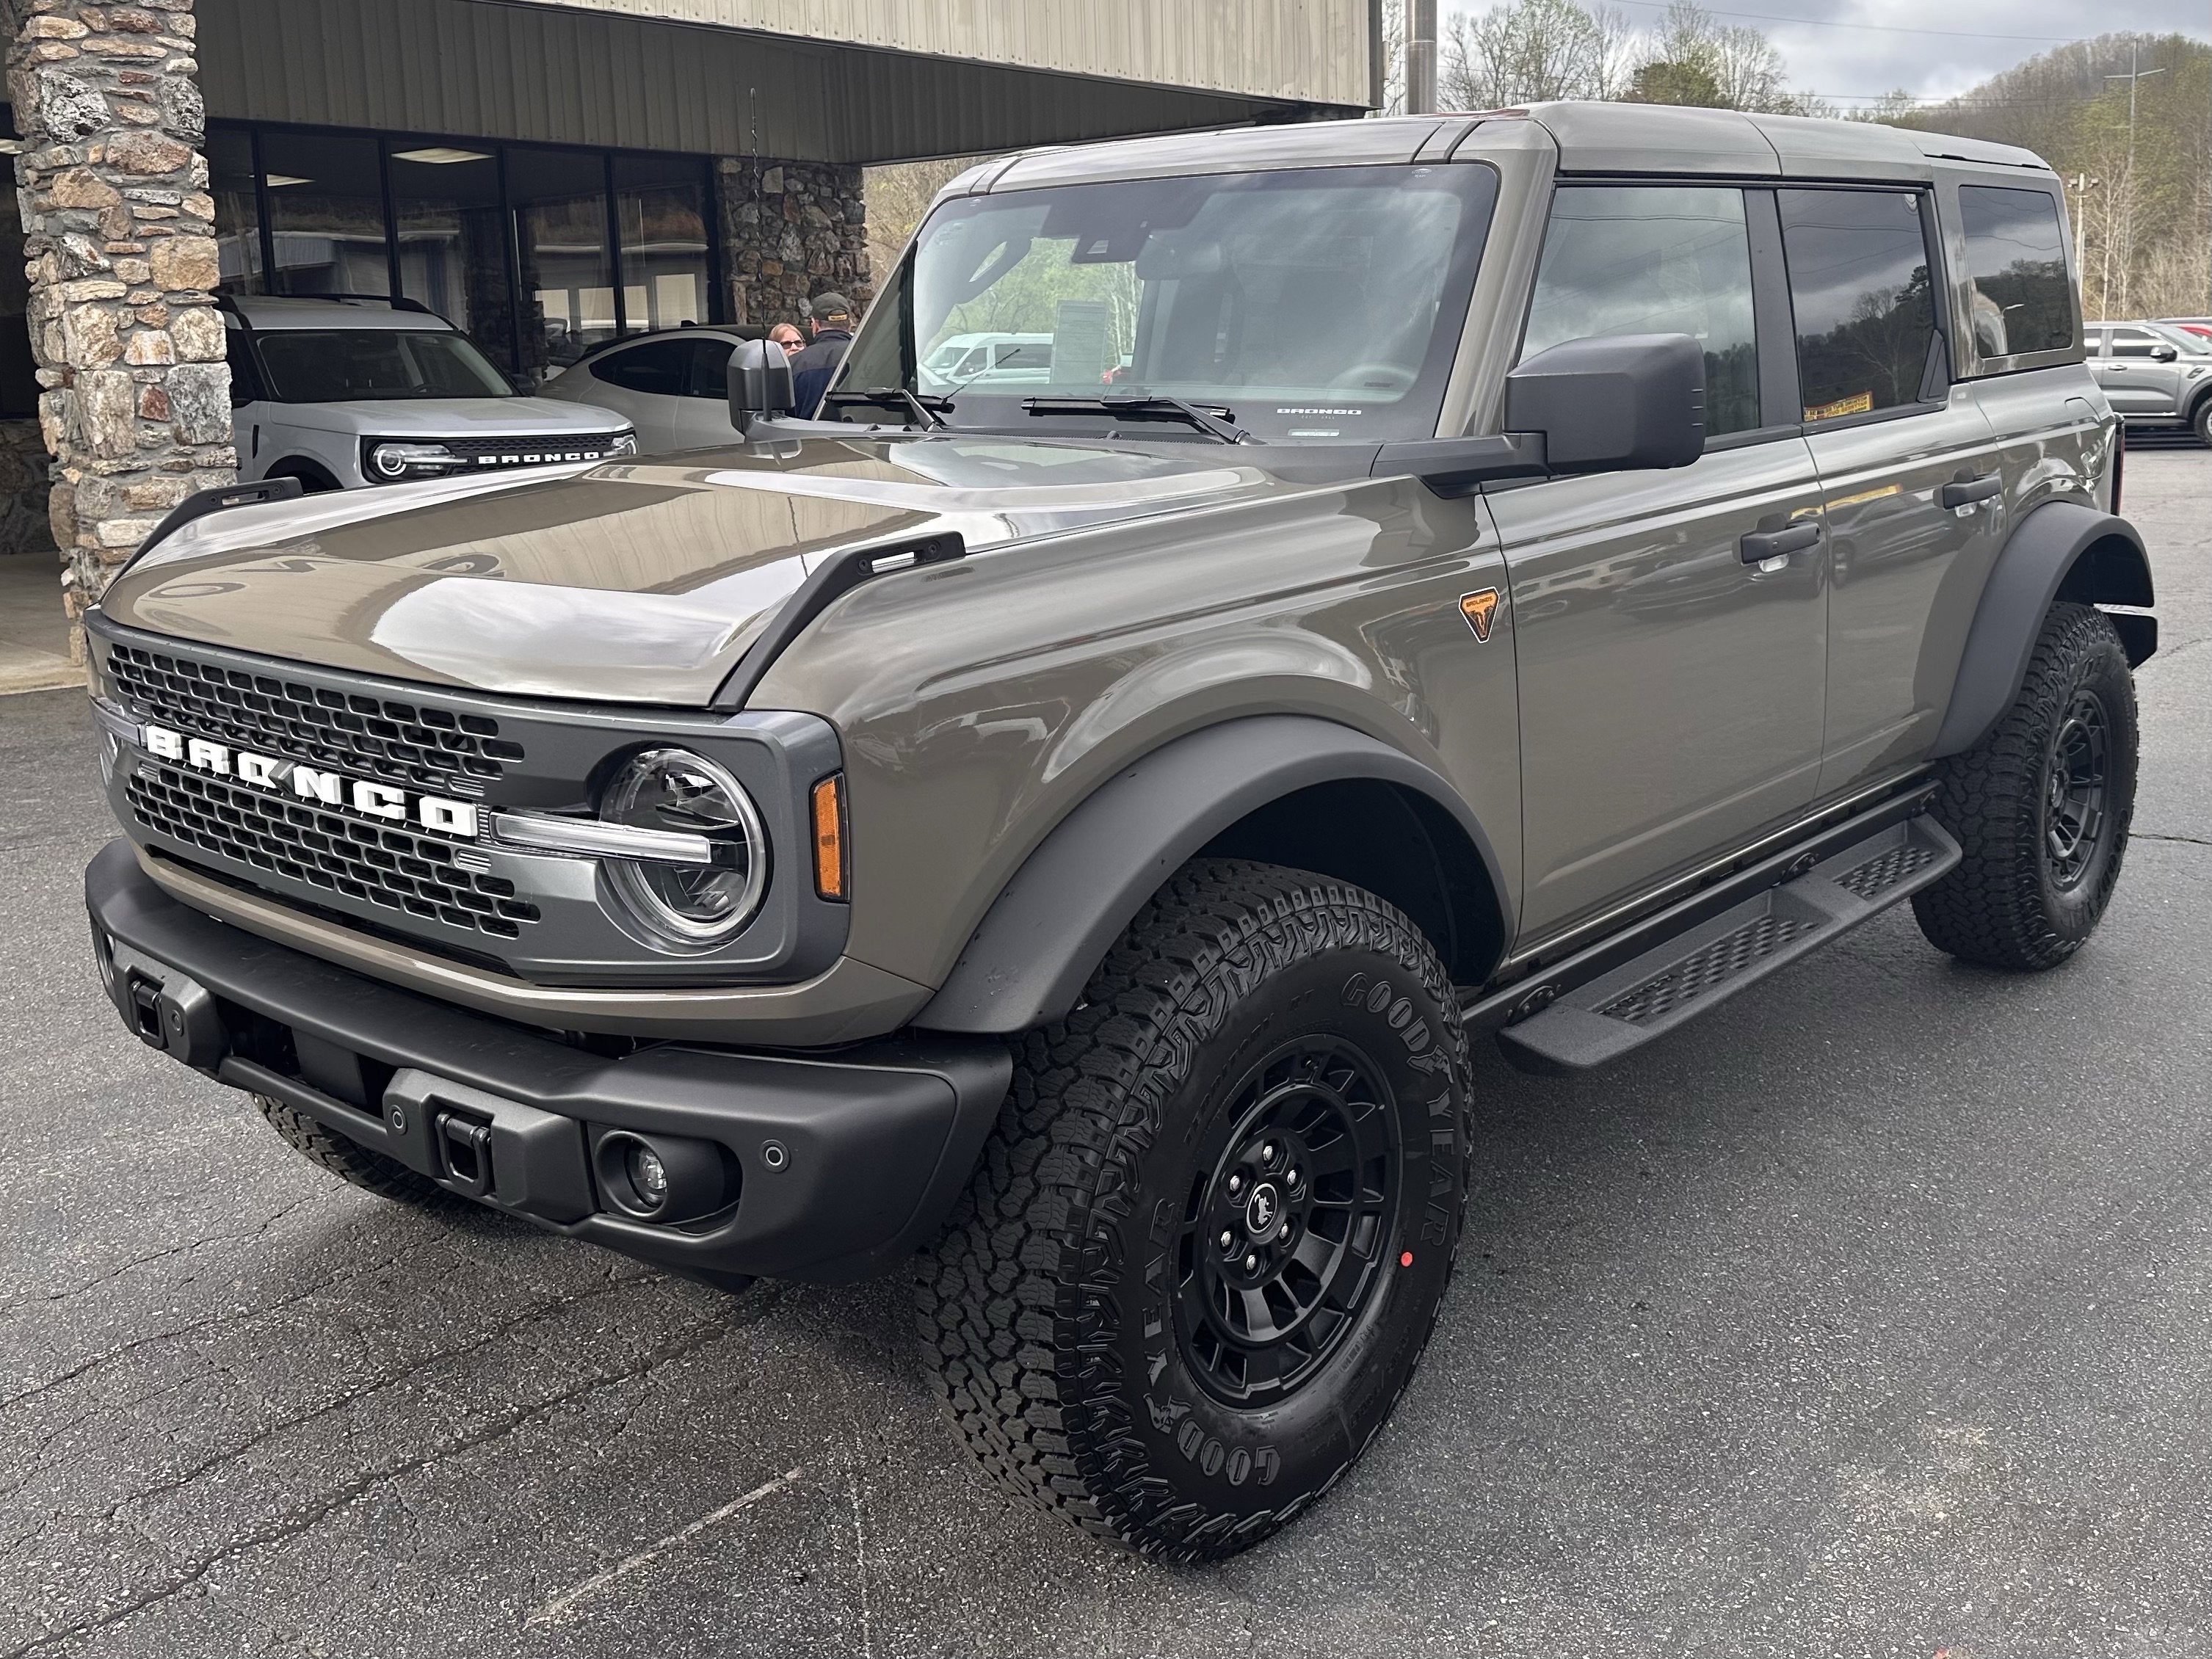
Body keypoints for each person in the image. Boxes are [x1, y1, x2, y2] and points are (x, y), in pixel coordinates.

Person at [787, 293, 856, 414]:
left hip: (810, 433)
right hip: (869, 432)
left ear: (815, 326)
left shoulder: (793, 365)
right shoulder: (869, 355)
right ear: (849, 324)